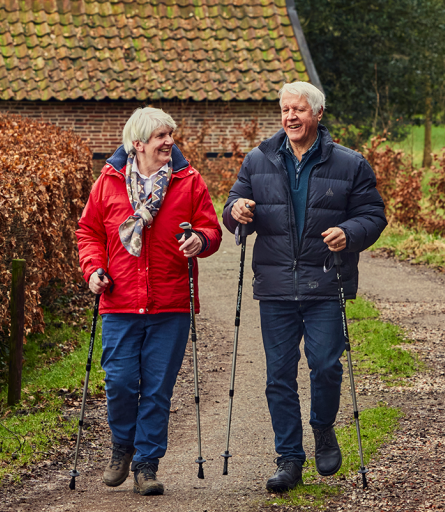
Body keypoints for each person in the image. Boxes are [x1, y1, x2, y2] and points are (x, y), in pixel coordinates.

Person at [223, 82, 386, 492]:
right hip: (275, 285)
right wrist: (237, 211)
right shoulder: (258, 159)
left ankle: (323, 429)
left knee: (327, 366)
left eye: (298, 109)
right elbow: (232, 207)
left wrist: (349, 232)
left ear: (317, 113)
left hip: (326, 281)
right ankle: (289, 459)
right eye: (284, 110)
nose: (290, 117)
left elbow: (373, 214)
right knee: (278, 376)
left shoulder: (350, 164)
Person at [76, 107, 222, 496]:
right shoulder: (107, 183)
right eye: (160, 136)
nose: (169, 142)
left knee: (157, 388)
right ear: (137, 144)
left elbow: (211, 228)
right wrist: (93, 269)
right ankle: (122, 447)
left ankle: (146, 465)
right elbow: (88, 231)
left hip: (171, 303)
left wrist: (201, 241)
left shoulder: (188, 182)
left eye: (170, 135)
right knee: (121, 383)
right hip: (119, 300)